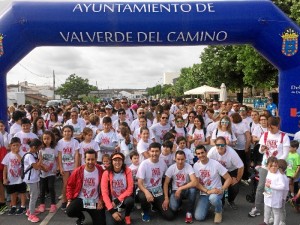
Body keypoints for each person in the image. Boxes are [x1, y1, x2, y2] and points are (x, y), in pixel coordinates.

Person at [248, 116, 290, 218]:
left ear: (277, 126)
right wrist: (262, 148)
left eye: (272, 128)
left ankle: (275, 211)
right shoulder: (265, 135)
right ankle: (257, 208)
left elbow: (286, 153)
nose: (270, 129)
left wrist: (275, 163)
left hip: (277, 167)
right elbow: (260, 151)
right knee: (261, 187)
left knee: (275, 189)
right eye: (269, 127)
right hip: (265, 165)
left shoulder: (284, 136)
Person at [193, 145, 232, 224]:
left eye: (202, 153)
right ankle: (210, 204)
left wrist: (222, 189)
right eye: (198, 154)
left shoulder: (215, 164)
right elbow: (196, 183)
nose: (201, 155)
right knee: (199, 217)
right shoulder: (196, 165)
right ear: (196, 155)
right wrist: (207, 191)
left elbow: (229, 178)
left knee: (213, 198)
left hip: (216, 191)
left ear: (206, 152)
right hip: (204, 192)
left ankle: (218, 211)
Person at [137, 142, 175, 222]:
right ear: (149, 152)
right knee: (143, 197)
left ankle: (155, 205)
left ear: (160, 152)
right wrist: (147, 192)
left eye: (157, 151)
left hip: (158, 190)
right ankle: (145, 212)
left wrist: (166, 197)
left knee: (170, 216)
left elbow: (166, 179)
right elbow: (139, 183)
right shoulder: (144, 164)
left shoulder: (162, 162)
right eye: (152, 151)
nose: (154, 153)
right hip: (146, 189)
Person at [66, 149, 106, 225]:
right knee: (69, 211)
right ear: (84, 159)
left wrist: (101, 200)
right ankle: (82, 217)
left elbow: (105, 188)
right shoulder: (78, 171)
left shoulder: (100, 170)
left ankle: (91, 216)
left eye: (92, 159)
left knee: (101, 223)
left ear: (96, 159)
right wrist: (69, 200)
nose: (90, 162)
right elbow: (70, 185)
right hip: (82, 200)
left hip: (94, 201)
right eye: (88, 159)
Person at [207, 136, 244, 210]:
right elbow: (207, 163)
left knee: (235, 187)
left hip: (231, 171)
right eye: (218, 145)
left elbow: (241, 166)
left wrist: (237, 179)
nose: (220, 147)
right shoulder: (212, 152)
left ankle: (231, 201)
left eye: (222, 145)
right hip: (219, 172)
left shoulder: (232, 153)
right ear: (215, 145)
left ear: (226, 145)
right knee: (220, 185)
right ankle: (221, 202)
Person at [162, 150, 197, 223]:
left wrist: (180, 188)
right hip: (175, 190)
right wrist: (166, 198)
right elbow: (166, 183)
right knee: (173, 208)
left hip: (186, 189)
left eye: (182, 159)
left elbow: (194, 182)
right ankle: (179, 203)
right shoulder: (171, 168)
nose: (180, 161)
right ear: (175, 159)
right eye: (178, 159)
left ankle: (189, 212)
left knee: (193, 190)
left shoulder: (188, 166)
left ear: (185, 158)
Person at [101, 152, 134, 225]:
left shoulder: (127, 170)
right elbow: (104, 193)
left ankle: (127, 215)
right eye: (115, 160)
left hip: (122, 199)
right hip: (111, 202)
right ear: (111, 162)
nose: (117, 162)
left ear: (122, 161)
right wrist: (112, 211)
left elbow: (130, 189)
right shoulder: (106, 173)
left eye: (119, 160)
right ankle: (115, 213)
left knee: (130, 201)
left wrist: (117, 201)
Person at [1, 137, 26, 215]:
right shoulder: (8, 155)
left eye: (17, 145)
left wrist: (17, 153)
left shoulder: (23, 153)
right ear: (10, 145)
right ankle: (14, 206)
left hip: (21, 178)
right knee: (13, 193)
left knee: (22, 192)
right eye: (13, 145)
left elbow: (22, 162)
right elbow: (5, 168)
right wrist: (4, 178)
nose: (15, 147)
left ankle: (23, 206)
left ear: (20, 145)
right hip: (11, 179)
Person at [57, 125, 80, 210]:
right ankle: (64, 200)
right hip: (65, 166)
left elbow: (77, 154)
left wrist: (76, 167)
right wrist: (60, 167)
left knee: (74, 184)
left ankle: (73, 199)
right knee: (66, 184)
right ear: (62, 133)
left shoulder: (75, 142)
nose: (67, 133)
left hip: (73, 166)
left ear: (72, 133)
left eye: (69, 131)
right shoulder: (60, 142)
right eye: (65, 131)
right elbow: (59, 155)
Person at [23, 138, 45, 223]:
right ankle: (31, 214)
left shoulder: (32, 154)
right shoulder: (29, 156)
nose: (40, 150)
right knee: (33, 196)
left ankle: (30, 210)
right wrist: (40, 159)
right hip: (31, 179)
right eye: (39, 148)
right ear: (34, 147)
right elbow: (36, 166)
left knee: (34, 195)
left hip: (34, 178)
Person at [259, 157, 285, 225]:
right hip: (268, 195)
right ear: (268, 166)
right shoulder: (269, 172)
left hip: (276, 198)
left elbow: (282, 186)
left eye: (275, 166)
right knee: (267, 210)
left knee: (276, 212)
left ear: (278, 166)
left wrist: (271, 186)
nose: (273, 168)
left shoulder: (280, 175)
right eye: (271, 166)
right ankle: (265, 222)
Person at [38, 131, 58, 213]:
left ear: (52, 139)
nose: (46, 140)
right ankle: (42, 204)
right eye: (44, 139)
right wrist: (43, 167)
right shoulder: (41, 149)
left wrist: (57, 168)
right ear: (42, 139)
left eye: (48, 138)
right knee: (42, 189)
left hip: (52, 172)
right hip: (43, 172)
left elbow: (57, 159)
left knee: (51, 187)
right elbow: (39, 160)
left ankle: (53, 204)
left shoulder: (54, 149)